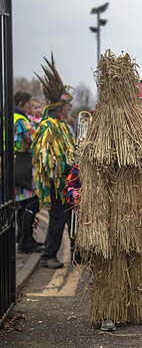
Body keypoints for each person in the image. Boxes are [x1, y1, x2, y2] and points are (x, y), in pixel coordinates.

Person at [31, 55, 77, 269]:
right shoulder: (49, 126)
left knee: (69, 220)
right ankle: (48, 255)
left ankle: (76, 254)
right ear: (59, 107)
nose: (70, 108)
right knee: (58, 220)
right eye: (67, 105)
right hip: (57, 184)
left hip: (66, 182)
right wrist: (65, 168)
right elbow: (46, 157)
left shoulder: (61, 125)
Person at [13, 90, 42, 254]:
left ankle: (23, 238)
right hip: (23, 164)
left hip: (13, 164)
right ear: (22, 104)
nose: (32, 107)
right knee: (31, 203)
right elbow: (34, 140)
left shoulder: (9, 116)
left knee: (22, 204)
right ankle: (26, 242)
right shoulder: (21, 120)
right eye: (30, 104)